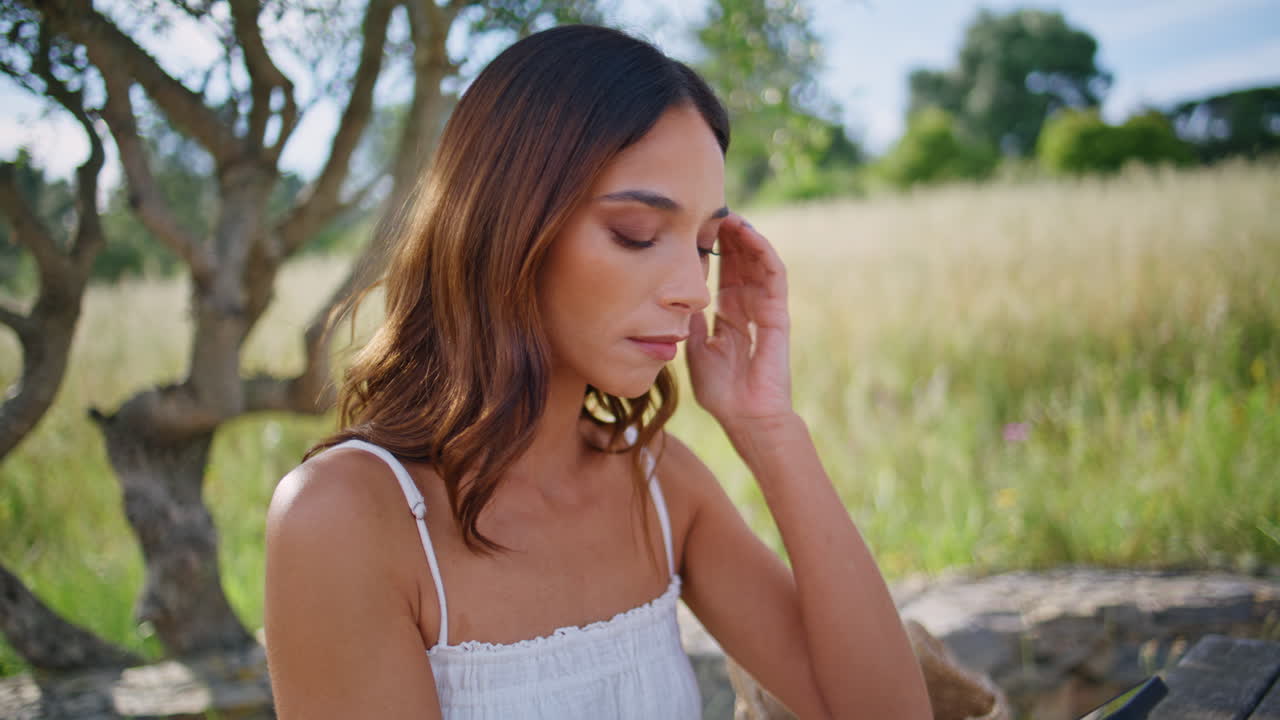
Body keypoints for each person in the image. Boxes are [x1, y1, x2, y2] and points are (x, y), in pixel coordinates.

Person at [263, 24, 931, 720]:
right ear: (507, 224)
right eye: (637, 233)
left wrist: (770, 428)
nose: (693, 291)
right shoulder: (346, 518)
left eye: (703, 246)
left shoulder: (660, 485)